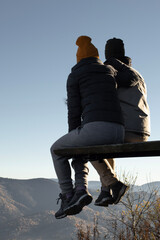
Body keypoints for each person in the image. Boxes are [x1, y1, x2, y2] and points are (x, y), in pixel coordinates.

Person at [50, 36, 127, 219]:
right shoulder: (110, 71)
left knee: (56, 150)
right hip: (119, 130)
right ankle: (86, 190)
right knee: (79, 146)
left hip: (97, 129)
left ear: (79, 59)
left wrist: (74, 137)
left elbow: (74, 111)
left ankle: (69, 195)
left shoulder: (75, 75)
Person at [92, 38, 150, 207]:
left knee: (89, 144)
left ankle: (112, 184)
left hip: (127, 130)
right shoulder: (137, 74)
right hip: (143, 132)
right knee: (106, 144)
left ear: (108, 54)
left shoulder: (113, 71)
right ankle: (105, 191)